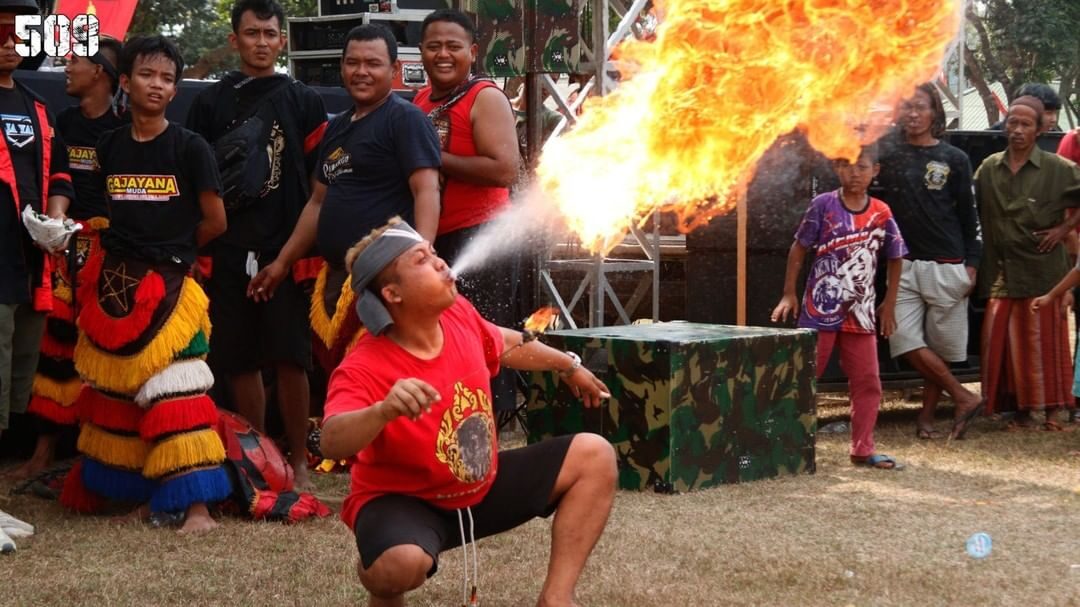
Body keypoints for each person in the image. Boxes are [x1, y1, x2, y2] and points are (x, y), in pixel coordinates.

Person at [320, 218, 616, 607]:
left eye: (435, 254)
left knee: (594, 455)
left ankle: (557, 599)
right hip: (407, 503)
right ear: (392, 293)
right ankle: (379, 572)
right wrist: (382, 410)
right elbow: (330, 439)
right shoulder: (364, 366)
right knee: (398, 565)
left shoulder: (457, 312)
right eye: (421, 260)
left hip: (482, 488)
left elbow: (504, 342)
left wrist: (567, 365)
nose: (441, 263)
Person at [58, 36, 230, 533]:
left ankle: (197, 507)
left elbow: (215, 221)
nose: (157, 85)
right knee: (118, 391)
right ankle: (147, 494)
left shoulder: (191, 147)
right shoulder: (109, 146)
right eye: (148, 75)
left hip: (175, 290)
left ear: (176, 91)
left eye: (168, 79)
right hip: (117, 283)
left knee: (178, 392)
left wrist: (172, 249)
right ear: (126, 81)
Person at [186, 0, 327, 489]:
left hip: (284, 249)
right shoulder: (210, 102)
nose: (262, 42)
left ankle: (300, 462)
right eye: (252, 34)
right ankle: (259, 457)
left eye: (270, 34)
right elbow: (198, 178)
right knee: (240, 357)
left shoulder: (303, 100)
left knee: (291, 355)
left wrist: (291, 258)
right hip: (228, 248)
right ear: (235, 40)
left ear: (282, 41)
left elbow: (318, 186)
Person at [247, 23, 441, 369]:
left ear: (394, 70)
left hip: (387, 279)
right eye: (353, 63)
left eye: (373, 63)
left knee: (386, 375)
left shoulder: (405, 119)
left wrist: (422, 256)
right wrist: (282, 262)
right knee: (349, 375)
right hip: (339, 277)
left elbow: (426, 189)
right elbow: (318, 202)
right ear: (341, 66)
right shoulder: (337, 126)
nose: (361, 72)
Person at [8, 37, 127, 482]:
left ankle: (96, 456)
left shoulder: (125, 127)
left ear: (100, 72)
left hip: (110, 253)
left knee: (102, 351)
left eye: (75, 61)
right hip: (61, 249)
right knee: (55, 347)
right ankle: (41, 453)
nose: (66, 68)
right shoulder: (59, 123)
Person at [771, 145, 907, 469]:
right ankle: (785, 445)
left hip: (860, 312)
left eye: (862, 167)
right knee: (804, 377)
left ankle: (863, 449)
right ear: (836, 169)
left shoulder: (882, 213)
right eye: (847, 166)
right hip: (819, 310)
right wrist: (789, 294)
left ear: (875, 170)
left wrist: (889, 304)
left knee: (868, 380)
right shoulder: (823, 205)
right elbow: (799, 249)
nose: (854, 173)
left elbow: (896, 257)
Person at [412, 9, 520, 414]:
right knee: (448, 329)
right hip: (436, 236)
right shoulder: (421, 100)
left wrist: (435, 158)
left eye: (453, 46)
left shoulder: (485, 96)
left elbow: (506, 170)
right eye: (434, 46)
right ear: (421, 51)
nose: (443, 54)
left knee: (485, 330)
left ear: (472, 52)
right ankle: (454, 408)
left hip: (480, 233)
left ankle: (494, 412)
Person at [874, 83, 985, 440]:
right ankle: (963, 396)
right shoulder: (888, 156)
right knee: (903, 340)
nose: (913, 114)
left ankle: (925, 420)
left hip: (947, 263)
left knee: (940, 350)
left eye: (920, 107)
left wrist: (972, 265)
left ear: (935, 111)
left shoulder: (955, 159)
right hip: (903, 265)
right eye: (906, 107)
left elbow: (971, 218)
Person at [975, 95, 1080, 432]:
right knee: (1004, 340)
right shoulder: (989, 167)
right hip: (1001, 270)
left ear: (1039, 130)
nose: (1017, 130)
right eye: (1013, 123)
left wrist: (1064, 229)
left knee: (1043, 340)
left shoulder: (1059, 169)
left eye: (1025, 124)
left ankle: (1050, 410)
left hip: (1043, 269)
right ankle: (1016, 410)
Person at [0, 0, 75, 452]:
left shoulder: (38, 107)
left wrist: (58, 216)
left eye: (16, 33)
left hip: (29, 266)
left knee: (16, 378)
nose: (8, 43)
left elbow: (60, 174)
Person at [988, 83, 1063, 133]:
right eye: (1048, 113)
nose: (1054, 120)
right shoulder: (991, 137)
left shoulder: (1057, 139)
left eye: (1055, 113)